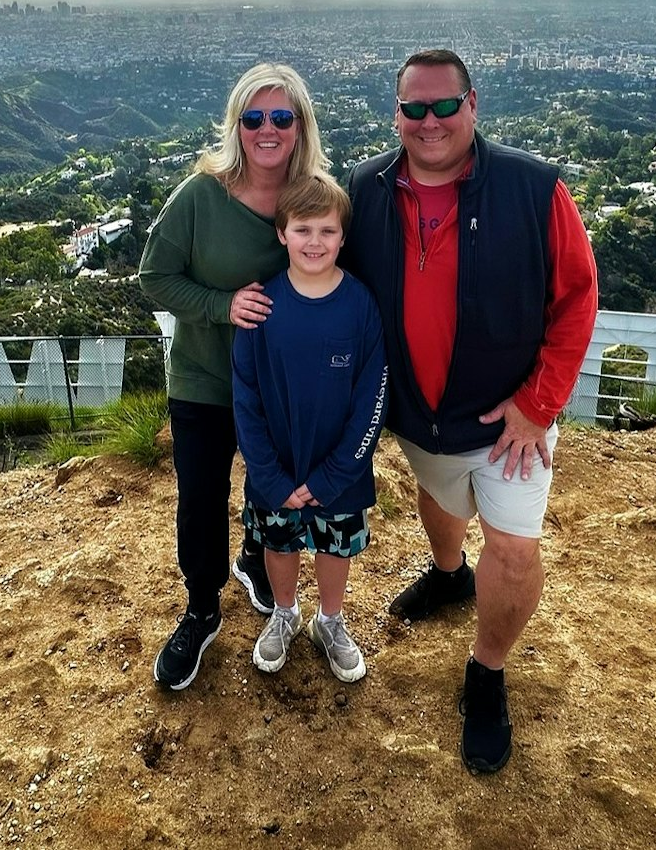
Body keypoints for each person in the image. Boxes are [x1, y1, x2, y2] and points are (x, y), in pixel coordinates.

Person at [345, 48, 598, 774]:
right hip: (419, 414)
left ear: (472, 105)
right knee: (438, 495)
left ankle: (487, 669)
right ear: (396, 115)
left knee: (514, 547)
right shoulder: (364, 190)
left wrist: (537, 406)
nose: (430, 122)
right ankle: (450, 573)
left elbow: (578, 298)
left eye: (444, 106)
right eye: (414, 109)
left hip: (510, 420)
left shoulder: (533, 187)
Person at [139, 63, 327, 691]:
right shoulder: (200, 196)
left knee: (272, 489)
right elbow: (155, 277)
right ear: (236, 125)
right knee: (199, 498)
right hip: (203, 378)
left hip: (279, 385)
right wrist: (222, 306)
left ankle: (255, 560)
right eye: (253, 118)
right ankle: (200, 609)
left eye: (281, 117)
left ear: (300, 126)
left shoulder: (313, 200)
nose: (267, 130)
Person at [232, 173, 387, 683]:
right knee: (278, 544)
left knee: (333, 546)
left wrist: (335, 474)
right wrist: (270, 478)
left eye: (327, 230)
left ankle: (330, 621)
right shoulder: (262, 307)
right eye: (302, 229)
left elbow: (372, 399)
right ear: (281, 233)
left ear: (344, 236)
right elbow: (246, 399)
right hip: (275, 468)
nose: (315, 242)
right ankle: (285, 612)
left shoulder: (362, 305)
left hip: (339, 472)